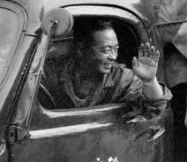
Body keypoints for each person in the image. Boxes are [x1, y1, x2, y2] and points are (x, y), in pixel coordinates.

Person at [41, 20, 171, 115]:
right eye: (106, 50)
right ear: (81, 49)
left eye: (116, 49)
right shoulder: (53, 71)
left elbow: (156, 106)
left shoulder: (120, 77)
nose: (113, 57)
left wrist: (149, 81)